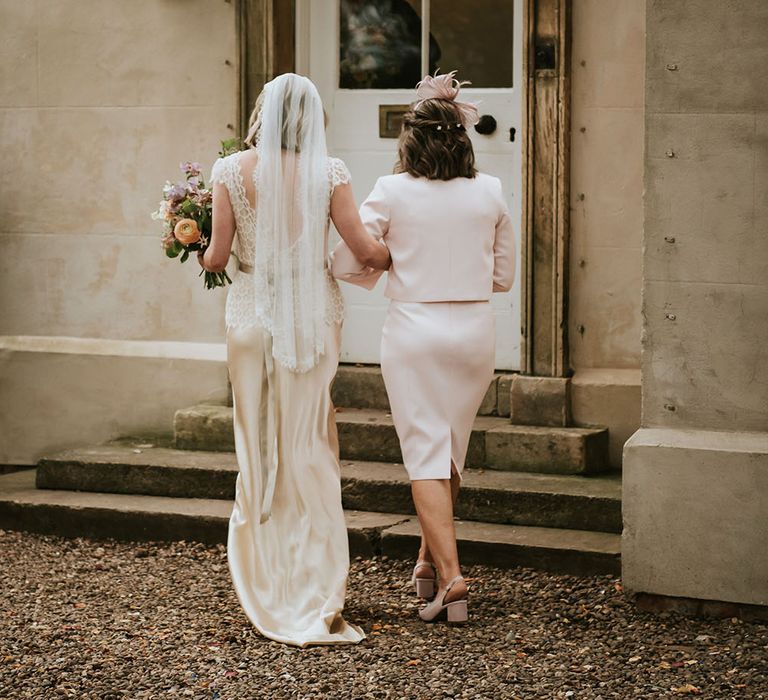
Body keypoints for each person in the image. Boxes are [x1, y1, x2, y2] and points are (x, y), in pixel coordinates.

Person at [199, 73, 390, 646]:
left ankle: (267, 576)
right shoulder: (330, 173)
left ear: (263, 111)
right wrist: (393, 250)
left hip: (251, 313)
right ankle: (313, 578)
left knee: (258, 442)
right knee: (308, 441)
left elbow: (215, 258)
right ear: (311, 118)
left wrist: (192, 238)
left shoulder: (230, 170)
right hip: (311, 315)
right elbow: (365, 250)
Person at [332, 71, 516, 624]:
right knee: (449, 451)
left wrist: (390, 261)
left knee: (424, 457)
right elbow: (502, 278)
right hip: (475, 333)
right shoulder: (491, 191)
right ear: (461, 137)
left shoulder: (392, 191)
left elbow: (347, 260)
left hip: (415, 330)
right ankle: (427, 565)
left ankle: (454, 578)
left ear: (410, 141)